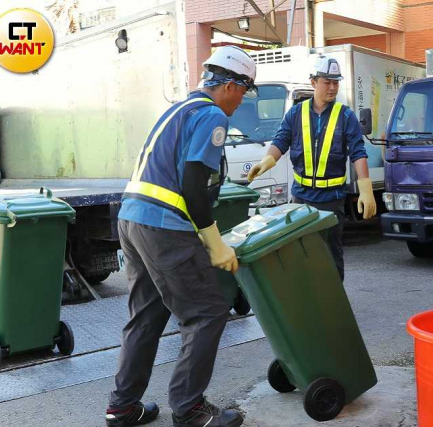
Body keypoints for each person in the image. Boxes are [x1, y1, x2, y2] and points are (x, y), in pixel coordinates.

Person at [106, 45, 256, 427]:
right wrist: (214, 243)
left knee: (146, 316)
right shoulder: (210, 116)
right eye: (245, 90)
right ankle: (190, 410)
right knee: (207, 312)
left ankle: (122, 407)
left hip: (132, 220)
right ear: (229, 85)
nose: (243, 100)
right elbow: (193, 185)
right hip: (165, 228)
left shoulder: (177, 110)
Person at [246, 55, 376, 281]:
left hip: (332, 198)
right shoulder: (295, 113)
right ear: (313, 82)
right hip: (301, 197)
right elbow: (281, 141)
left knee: (331, 253)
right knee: (300, 252)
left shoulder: (345, 116)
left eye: (336, 82)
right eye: (327, 82)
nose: (333, 87)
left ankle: (333, 303)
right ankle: (306, 298)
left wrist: (366, 188)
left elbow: (358, 152)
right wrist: (267, 161)